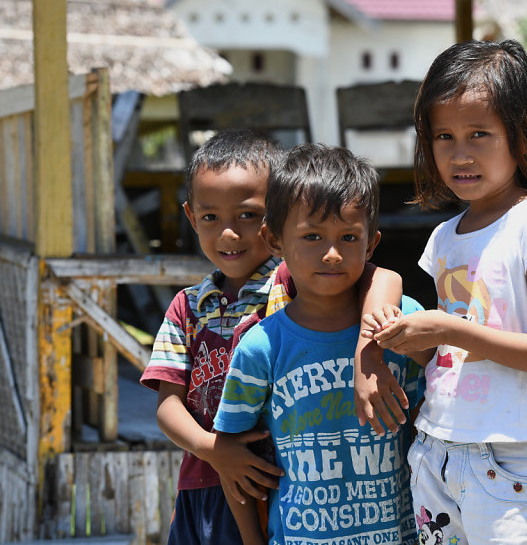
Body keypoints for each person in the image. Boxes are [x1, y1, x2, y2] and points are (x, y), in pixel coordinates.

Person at [363, 39, 527, 545]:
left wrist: (447, 328)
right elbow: (450, 358)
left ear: (524, 135)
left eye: (479, 134)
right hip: (435, 446)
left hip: (505, 458)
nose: (460, 154)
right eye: (444, 137)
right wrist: (406, 339)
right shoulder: (443, 238)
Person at [141, 131, 401, 545]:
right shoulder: (187, 307)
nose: (229, 233)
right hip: (204, 483)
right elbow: (167, 405)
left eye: (246, 215)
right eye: (211, 218)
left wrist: (367, 353)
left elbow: (380, 276)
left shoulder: (293, 279)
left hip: (282, 481)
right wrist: (216, 451)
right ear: (191, 217)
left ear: (272, 224)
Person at [213, 144, 424, 545]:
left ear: (371, 243)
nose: (331, 254)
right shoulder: (261, 347)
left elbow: (442, 409)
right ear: (274, 240)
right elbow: (231, 456)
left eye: (348, 237)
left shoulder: (403, 320)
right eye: (312, 236)